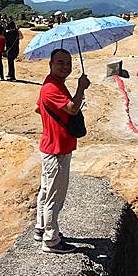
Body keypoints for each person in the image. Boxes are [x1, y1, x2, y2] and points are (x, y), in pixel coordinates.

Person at [33, 48, 91, 254]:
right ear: (50, 64)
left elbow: (39, 108)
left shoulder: (52, 84)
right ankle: (51, 240)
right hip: (57, 149)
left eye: (68, 63)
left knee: (46, 191)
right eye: (60, 62)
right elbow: (73, 109)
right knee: (54, 197)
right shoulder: (52, 87)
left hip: (51, 145)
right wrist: (81, 88)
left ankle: (41, 228)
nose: (65, 67)